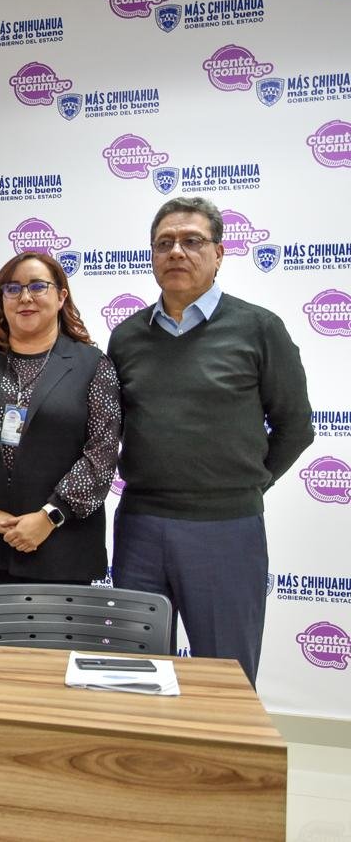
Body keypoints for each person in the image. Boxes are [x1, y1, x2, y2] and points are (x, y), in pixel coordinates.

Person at [108, 196, 313, 685]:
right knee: (135, 676)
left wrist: (245, 485)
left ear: (218, 254)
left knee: (226, 678)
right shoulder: (127, 336)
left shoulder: (259, 328)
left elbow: (295, 426)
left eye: (192, 241)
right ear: (152, 256)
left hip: (226, 529)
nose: (177, 251)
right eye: (164, 243)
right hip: (140, 526)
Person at [0, 252, 121, 590]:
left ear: (61, 296)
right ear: (1, 299)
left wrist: (50, 516)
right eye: (13, 288)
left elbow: (103, 452)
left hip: (65, 546)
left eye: (37, 286)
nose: (24, 297)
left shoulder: (92, 365)